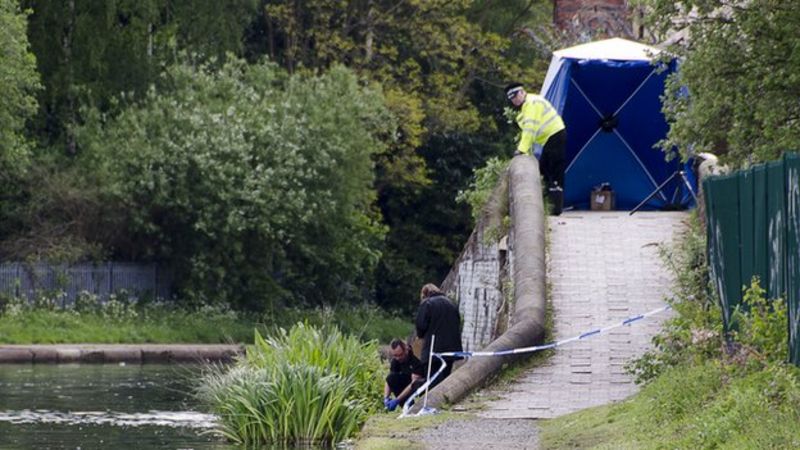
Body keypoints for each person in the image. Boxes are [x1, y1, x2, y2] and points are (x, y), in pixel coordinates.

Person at [505, 82, 567, 215]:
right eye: (512, 99)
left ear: (522, 92)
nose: (515, 100)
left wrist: (521, 150)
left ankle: (555, 208)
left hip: (554, 135)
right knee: (545, 169)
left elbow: (530, 129)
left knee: (553, 170)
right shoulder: (528, 104)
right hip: (551, 137)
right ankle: (551, 205)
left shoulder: (531, 104)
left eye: (516, 96)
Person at [415, 283, 463, 388]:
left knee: (432, 381)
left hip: (433, 350)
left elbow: (421, 326)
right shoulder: (452, 304)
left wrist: (420, 336)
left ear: (424, 294)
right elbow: (458, 324)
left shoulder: (427, 304)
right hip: (451, 350)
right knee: (444, 380)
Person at [383, 339, 423, 411]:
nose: (398, 358)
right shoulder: (395, 361)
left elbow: (413, 384)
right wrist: (386, 398)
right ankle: (405, 407)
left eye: (400, 355)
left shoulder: (415, 361)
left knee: (415, 383)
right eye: (395, 355)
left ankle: (412, 406)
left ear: (406, 350)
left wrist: (397, 400)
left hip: (418, 386)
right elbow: (388, 380)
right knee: (392, 378)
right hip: (405, 382)